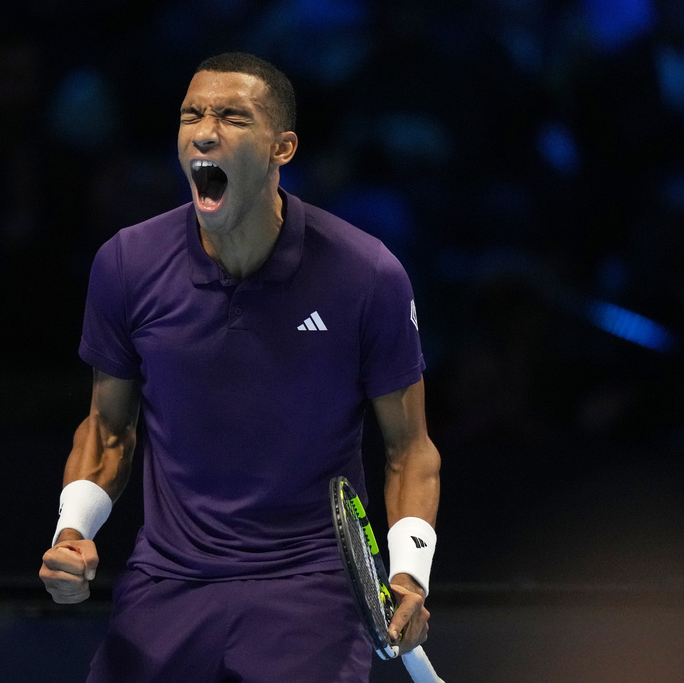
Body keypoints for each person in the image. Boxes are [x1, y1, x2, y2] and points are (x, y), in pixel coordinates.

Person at [39, 52, 441, 683]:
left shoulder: (367, 276)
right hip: (168, 578)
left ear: (282, 148)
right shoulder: (127, 264)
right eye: (191, 115)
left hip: (310, 587)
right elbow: (108, 429)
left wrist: (408, 576)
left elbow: (408, 450)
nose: (204, 131)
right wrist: (71, 534)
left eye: (231, 117)